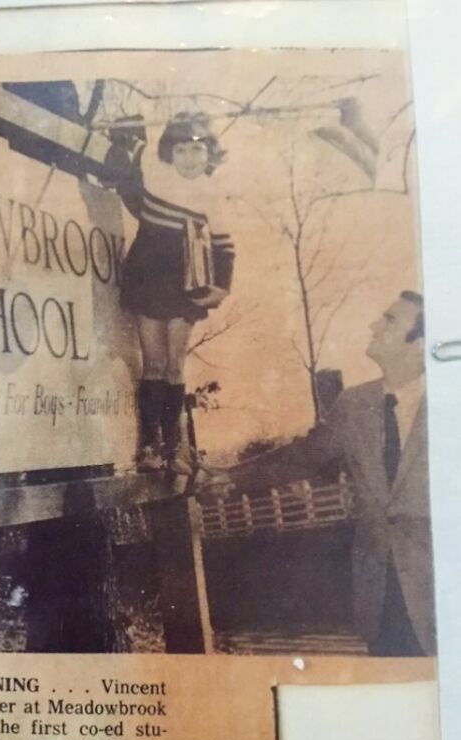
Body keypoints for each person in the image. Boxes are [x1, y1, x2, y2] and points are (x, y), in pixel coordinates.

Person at [225, 291, 435, 657]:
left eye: (389, 320)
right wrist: (225, 478)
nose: (374, 325)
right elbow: (301, 458)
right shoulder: (354, 405)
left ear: (420, 344)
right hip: (380, 594)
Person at [105, 112, 236, 474]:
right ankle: (149, 448)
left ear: (210, 153)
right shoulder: (156, 175)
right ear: (169, 152)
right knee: (154, 363)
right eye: (180, 150)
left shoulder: (212, 193)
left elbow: (225, 245)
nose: (189, 159)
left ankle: (175, 450)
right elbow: (133, 173)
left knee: (175, 365)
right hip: (147, 276)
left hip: (183, 284)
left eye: (197, 151)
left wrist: (221, 288)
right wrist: (126, 135)